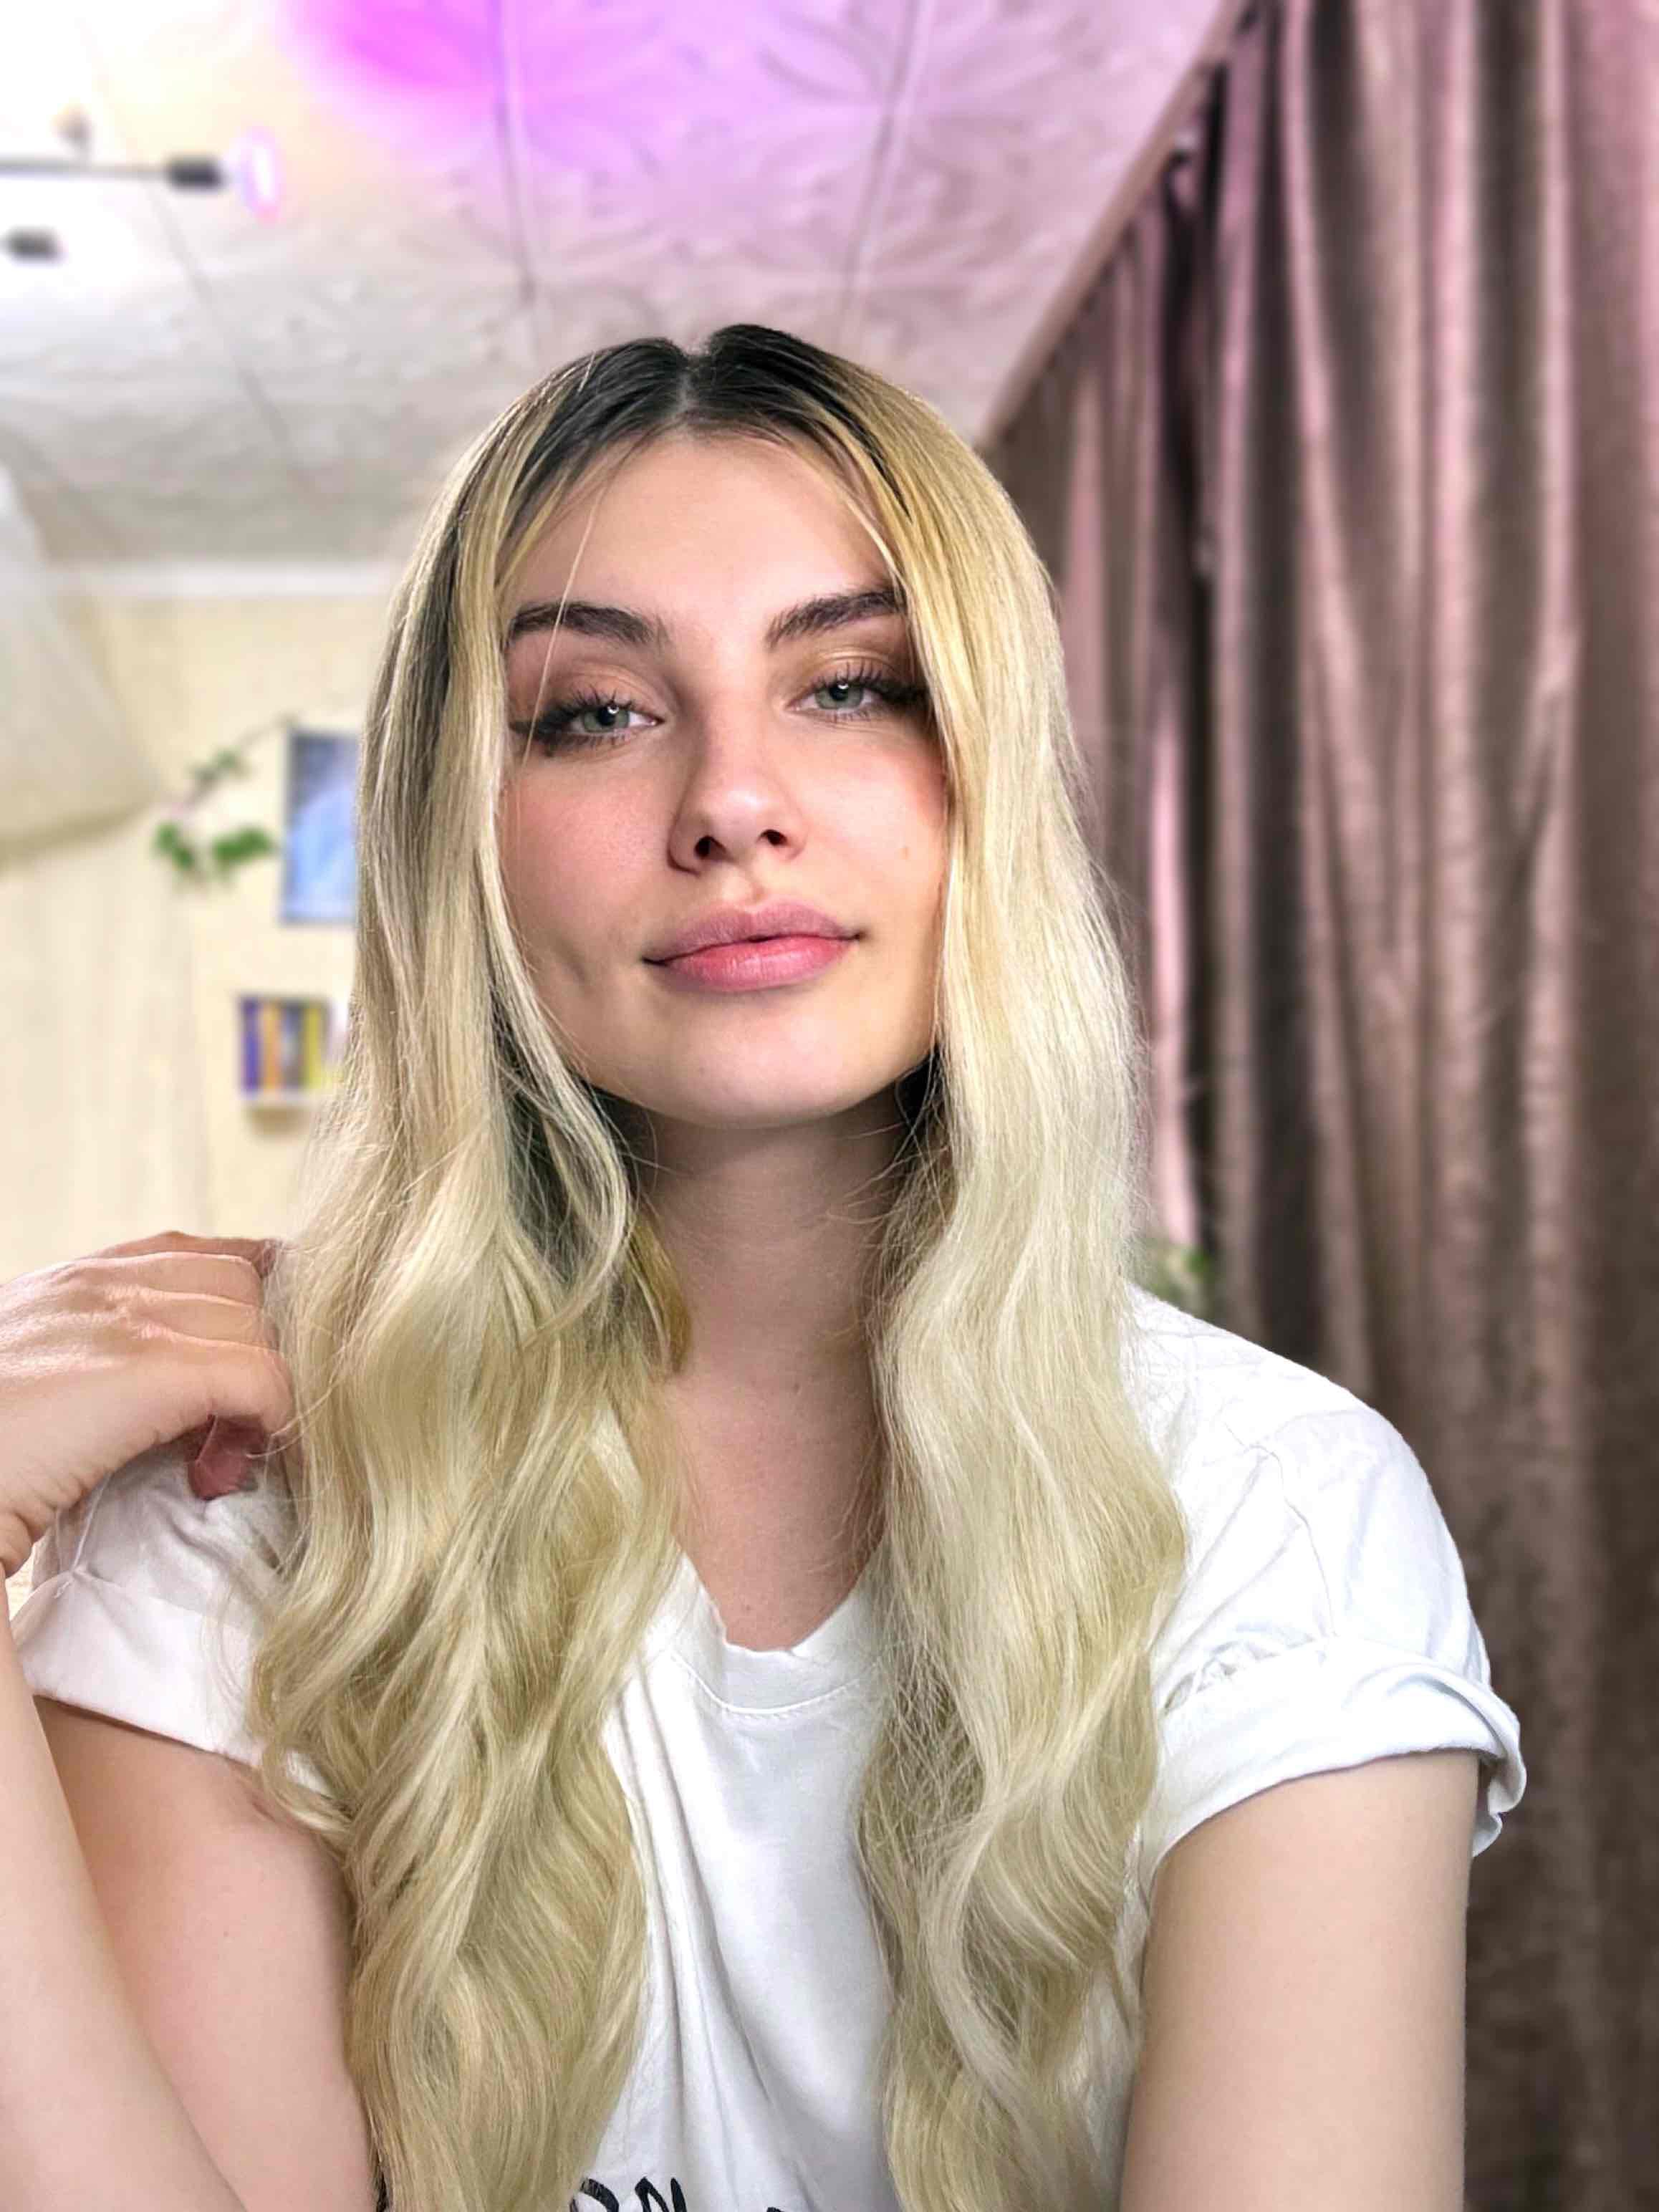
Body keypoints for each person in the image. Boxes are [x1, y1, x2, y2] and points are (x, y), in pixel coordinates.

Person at [1, 324, 1524, 2212]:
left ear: (991, 786)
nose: (733, 800)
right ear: (457, 835)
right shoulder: (242, 1490)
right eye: (593, 712)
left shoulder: (1278, 1504)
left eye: (853, 686)